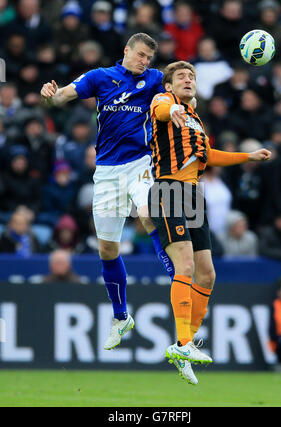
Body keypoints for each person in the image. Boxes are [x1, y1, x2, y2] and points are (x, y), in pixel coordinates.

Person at [40, 32, 176, 352]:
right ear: (126, 50)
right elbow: (62, 97)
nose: (144, 62)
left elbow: (182, 94)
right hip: (107, 171)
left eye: (148, 58)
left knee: (148, 214)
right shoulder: (101, 77)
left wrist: (188, 98)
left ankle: (181, 284)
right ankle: (121, 317)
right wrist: (51, 93)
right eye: (140, 55)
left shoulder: (155, 79)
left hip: (141, 162)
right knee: (107, 250)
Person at [148, 60, 271, 384]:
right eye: (181, 76)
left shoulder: (195, 119)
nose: (188, 79)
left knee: (207, 273)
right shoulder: (165, 102)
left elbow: (208, 155)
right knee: (185, 266)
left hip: (193, 195)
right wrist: (170, 110)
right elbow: (161, 109)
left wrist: (249, 156)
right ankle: (185, 343)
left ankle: (182, 342)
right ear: (170, 85)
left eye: (192, 76)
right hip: (169, 189)